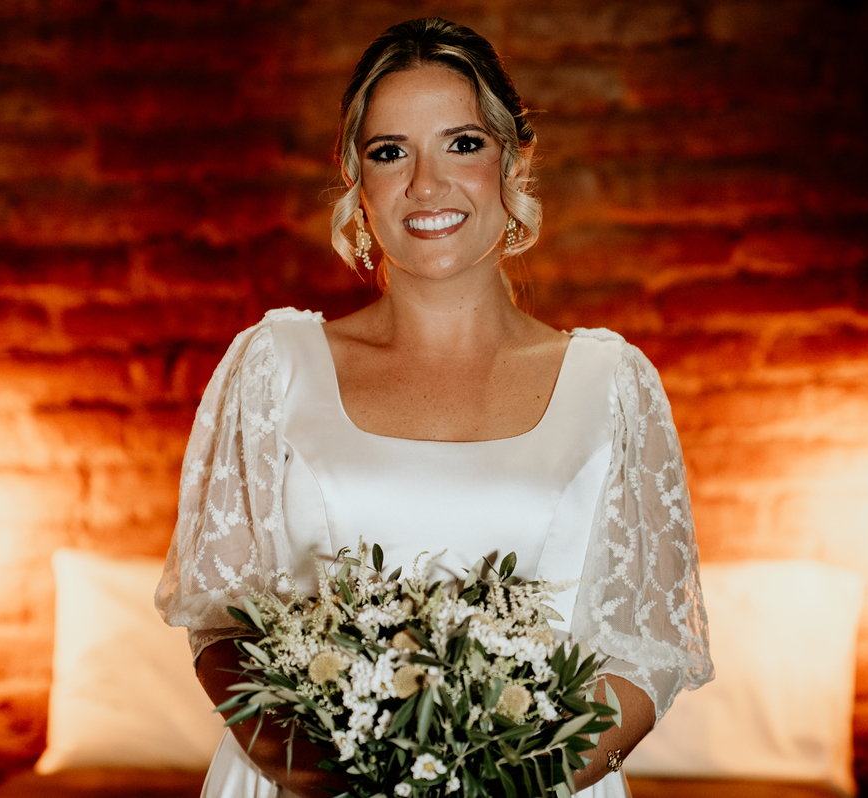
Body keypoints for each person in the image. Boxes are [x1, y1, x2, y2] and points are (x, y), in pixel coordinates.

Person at [156, 17, 712, 798]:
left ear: (513, 161)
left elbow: (642, 656)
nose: (425, 185)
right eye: (391, 153)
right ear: (358, 179)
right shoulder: (273, 369)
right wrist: (334, 781)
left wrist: (497, 785)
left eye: (462, 144)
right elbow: (221, 626)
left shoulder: (611, 387)